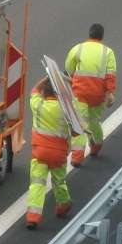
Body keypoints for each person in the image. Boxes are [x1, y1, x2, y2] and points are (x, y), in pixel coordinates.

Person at [27, 77, 76, 229]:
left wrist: (47, 77)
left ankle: (33, 216)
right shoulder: (66, 109)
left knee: (37, 184)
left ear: (44, 92)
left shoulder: (38, 105)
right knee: (59, 182)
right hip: (59, 154)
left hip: (39, 153)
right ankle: (63, 204)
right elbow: (75, 131)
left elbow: (33, 91)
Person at [65, 23, 117, 166]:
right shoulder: (108, 52)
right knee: (94, 122)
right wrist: (110, 93)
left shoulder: (78, 48)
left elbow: (68, 69)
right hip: (98, 95)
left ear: (89, 34)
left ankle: (77, 157)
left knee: (80, 124)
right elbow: (110, 74)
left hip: (80, 93)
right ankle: (96, 146)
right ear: (102, 36)